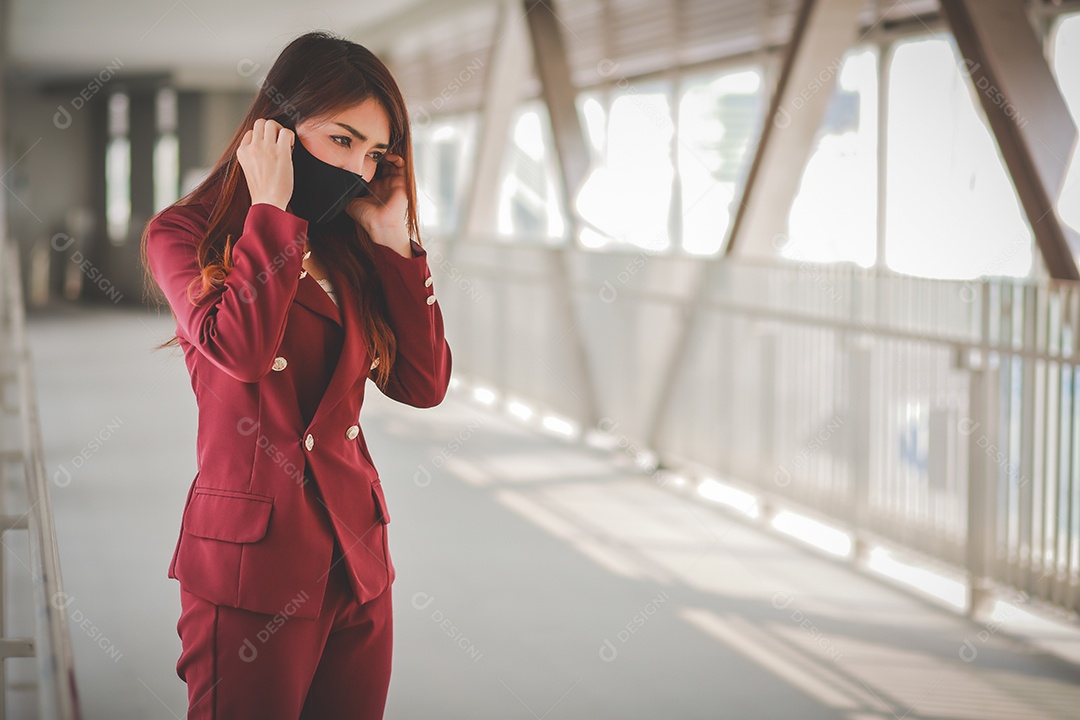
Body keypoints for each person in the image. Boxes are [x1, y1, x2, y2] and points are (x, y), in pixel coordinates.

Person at [140, 30, 452, 720]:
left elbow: (423, 384)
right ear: (275, 131)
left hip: (358, 562)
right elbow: (241, 350)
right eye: (341, 141)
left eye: (374, 153)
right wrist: (272, 212)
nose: (359, 171)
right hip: (254, 570)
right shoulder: (185, 234)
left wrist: (396, 244)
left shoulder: (345, 244)